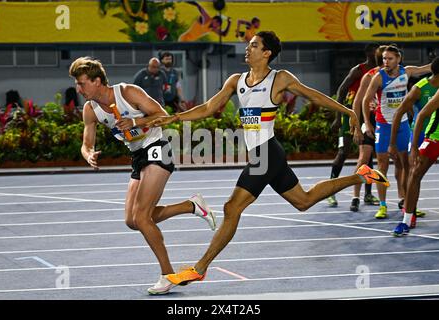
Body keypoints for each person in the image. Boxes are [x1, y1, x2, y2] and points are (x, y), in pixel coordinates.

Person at [147, 31, 390, 287]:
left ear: (267, 53)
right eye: (248, 45)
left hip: (267, 153)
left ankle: (199, 268)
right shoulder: (236, 81)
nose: (247, 49)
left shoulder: (279, 79)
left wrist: (348, 111)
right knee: (303, 201)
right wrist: (174, 118)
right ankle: (360, 174)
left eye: (254, 45)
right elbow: (208, 107)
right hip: (264, 155)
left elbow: (313, 95)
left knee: (232, 208)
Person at [68, 57, 217, 295]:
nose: (78, 88)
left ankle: (167, 275)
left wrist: (136, 121)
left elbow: (163, 114)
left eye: (82, 83)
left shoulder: (127, 92)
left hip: (157, 147)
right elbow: (86, 143)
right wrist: (88, 155)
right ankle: (191, 206)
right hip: (138, 156)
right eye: (77, 83)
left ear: (97, 81)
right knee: (132, 220)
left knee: (143, 218)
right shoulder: (90, 110)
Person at [363, 45, 431, 219]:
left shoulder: (406, 72)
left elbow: (428, 68)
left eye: (390, 58)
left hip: (402, 126)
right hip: (383, 125)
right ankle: (383, 205)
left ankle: (406, 203)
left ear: (398, 59)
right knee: (382, 167)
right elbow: (365, 100)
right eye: (384, 58)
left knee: (406, 165)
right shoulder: (378, 77)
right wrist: (367, 124)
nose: (386, 62)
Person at [326, 43, 379, 211]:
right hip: (351, 115)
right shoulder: (359, 70)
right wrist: (338, 117)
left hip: (369, 116)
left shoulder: (380, 72)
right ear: (369, 53)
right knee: (344, 152)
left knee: (368, 155)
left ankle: (367, 193)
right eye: (377, 51)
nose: (380, 53)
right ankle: (330, 191)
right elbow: (341, 91)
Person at [389, 57, 439, 235]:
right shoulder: (422, 88)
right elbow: (421, 116)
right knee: (415, 173)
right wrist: (413, 148)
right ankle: (406, 220)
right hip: (433, 136)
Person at [351, 45, 387, 212]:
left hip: (387, 121)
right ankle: (355, 196)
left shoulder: (398, 74)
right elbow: (357, 102)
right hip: (370, 118)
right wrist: (358, 127)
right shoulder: (370, 75)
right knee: (363, 158)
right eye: (385, 57)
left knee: (387, 161)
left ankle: (392, 201)